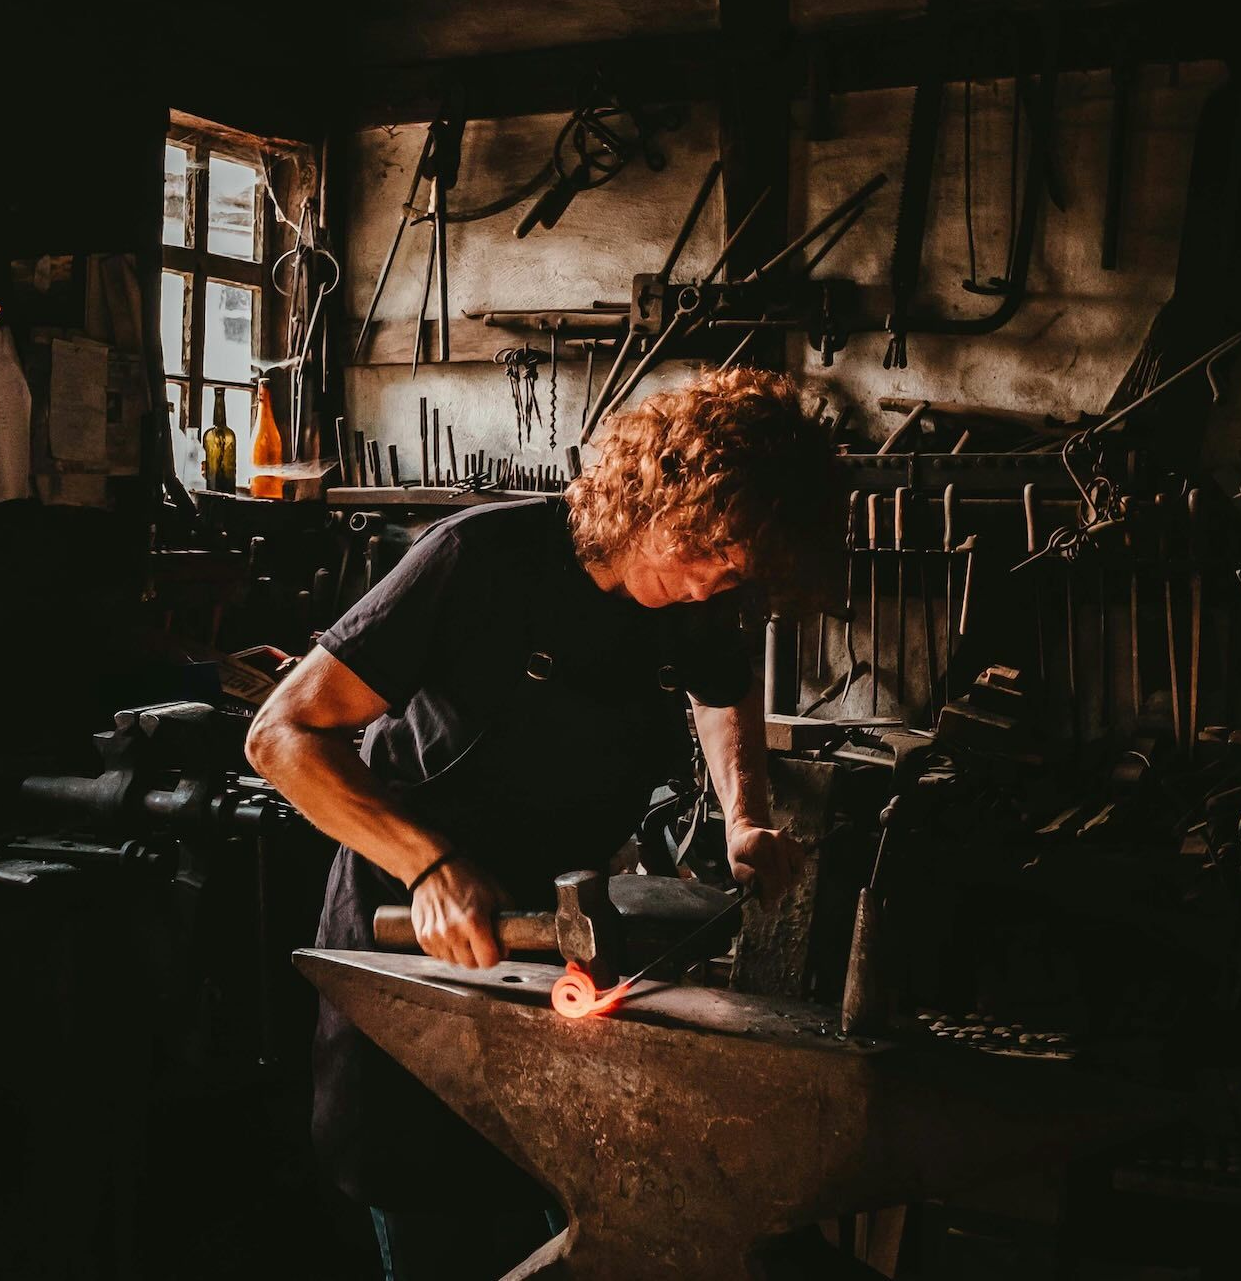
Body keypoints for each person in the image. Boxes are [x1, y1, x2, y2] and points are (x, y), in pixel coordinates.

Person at [246, 366, 843, 1280]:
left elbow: (723, 690)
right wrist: (428, 864)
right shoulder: (476, 559)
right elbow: (280, 736)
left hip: (552, 963)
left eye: (740, 567)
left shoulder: (697, 597)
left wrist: (744, 818)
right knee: (432, 1222)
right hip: (408, 951)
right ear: (655, 490)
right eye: (711, 545)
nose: (717, 579)